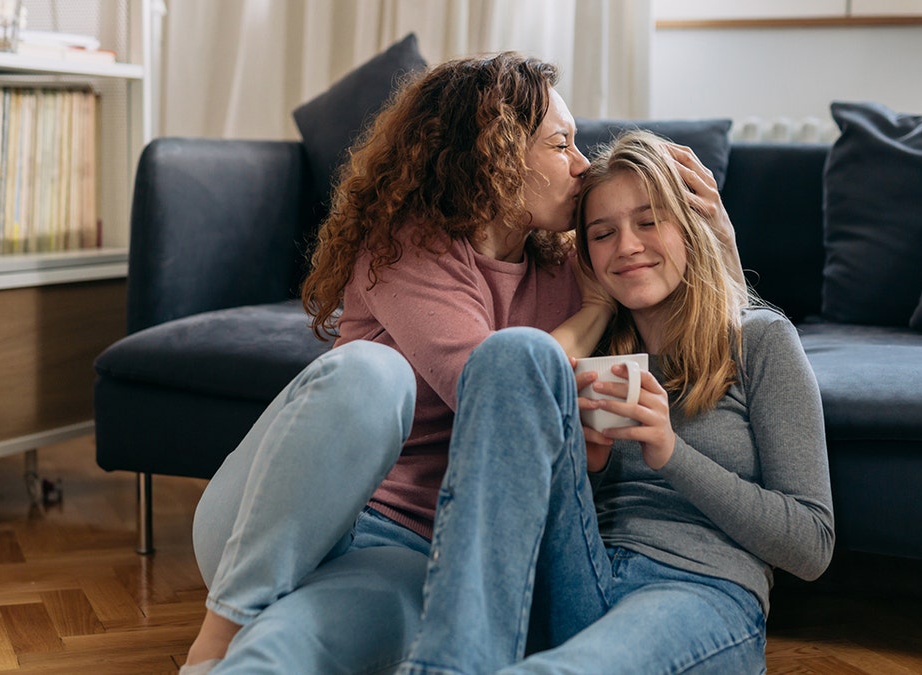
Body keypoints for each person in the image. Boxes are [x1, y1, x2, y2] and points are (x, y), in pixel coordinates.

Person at [182, 51, 634, 674]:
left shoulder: (567, 265)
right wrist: (592, 315)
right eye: (561, 145)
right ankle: (220, 629)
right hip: (271, 521)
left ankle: (247, 645)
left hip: (404, 547)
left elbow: (689, 291)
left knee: (287, 650)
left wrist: (712, 224)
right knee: (374, 372)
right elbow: (495, 387)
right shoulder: (406, 245)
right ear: (495, 155)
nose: (582, 166)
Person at [397, 130, 836, 674]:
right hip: (581, 576)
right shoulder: (599, 354)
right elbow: (515, 406)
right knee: (514, 355)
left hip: (697, 589)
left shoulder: (761, 340)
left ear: (690, 226)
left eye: (649, 222)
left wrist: (671, 453)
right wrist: (590, 463)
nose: (627, 246)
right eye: (603, 234)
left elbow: (812, 547)